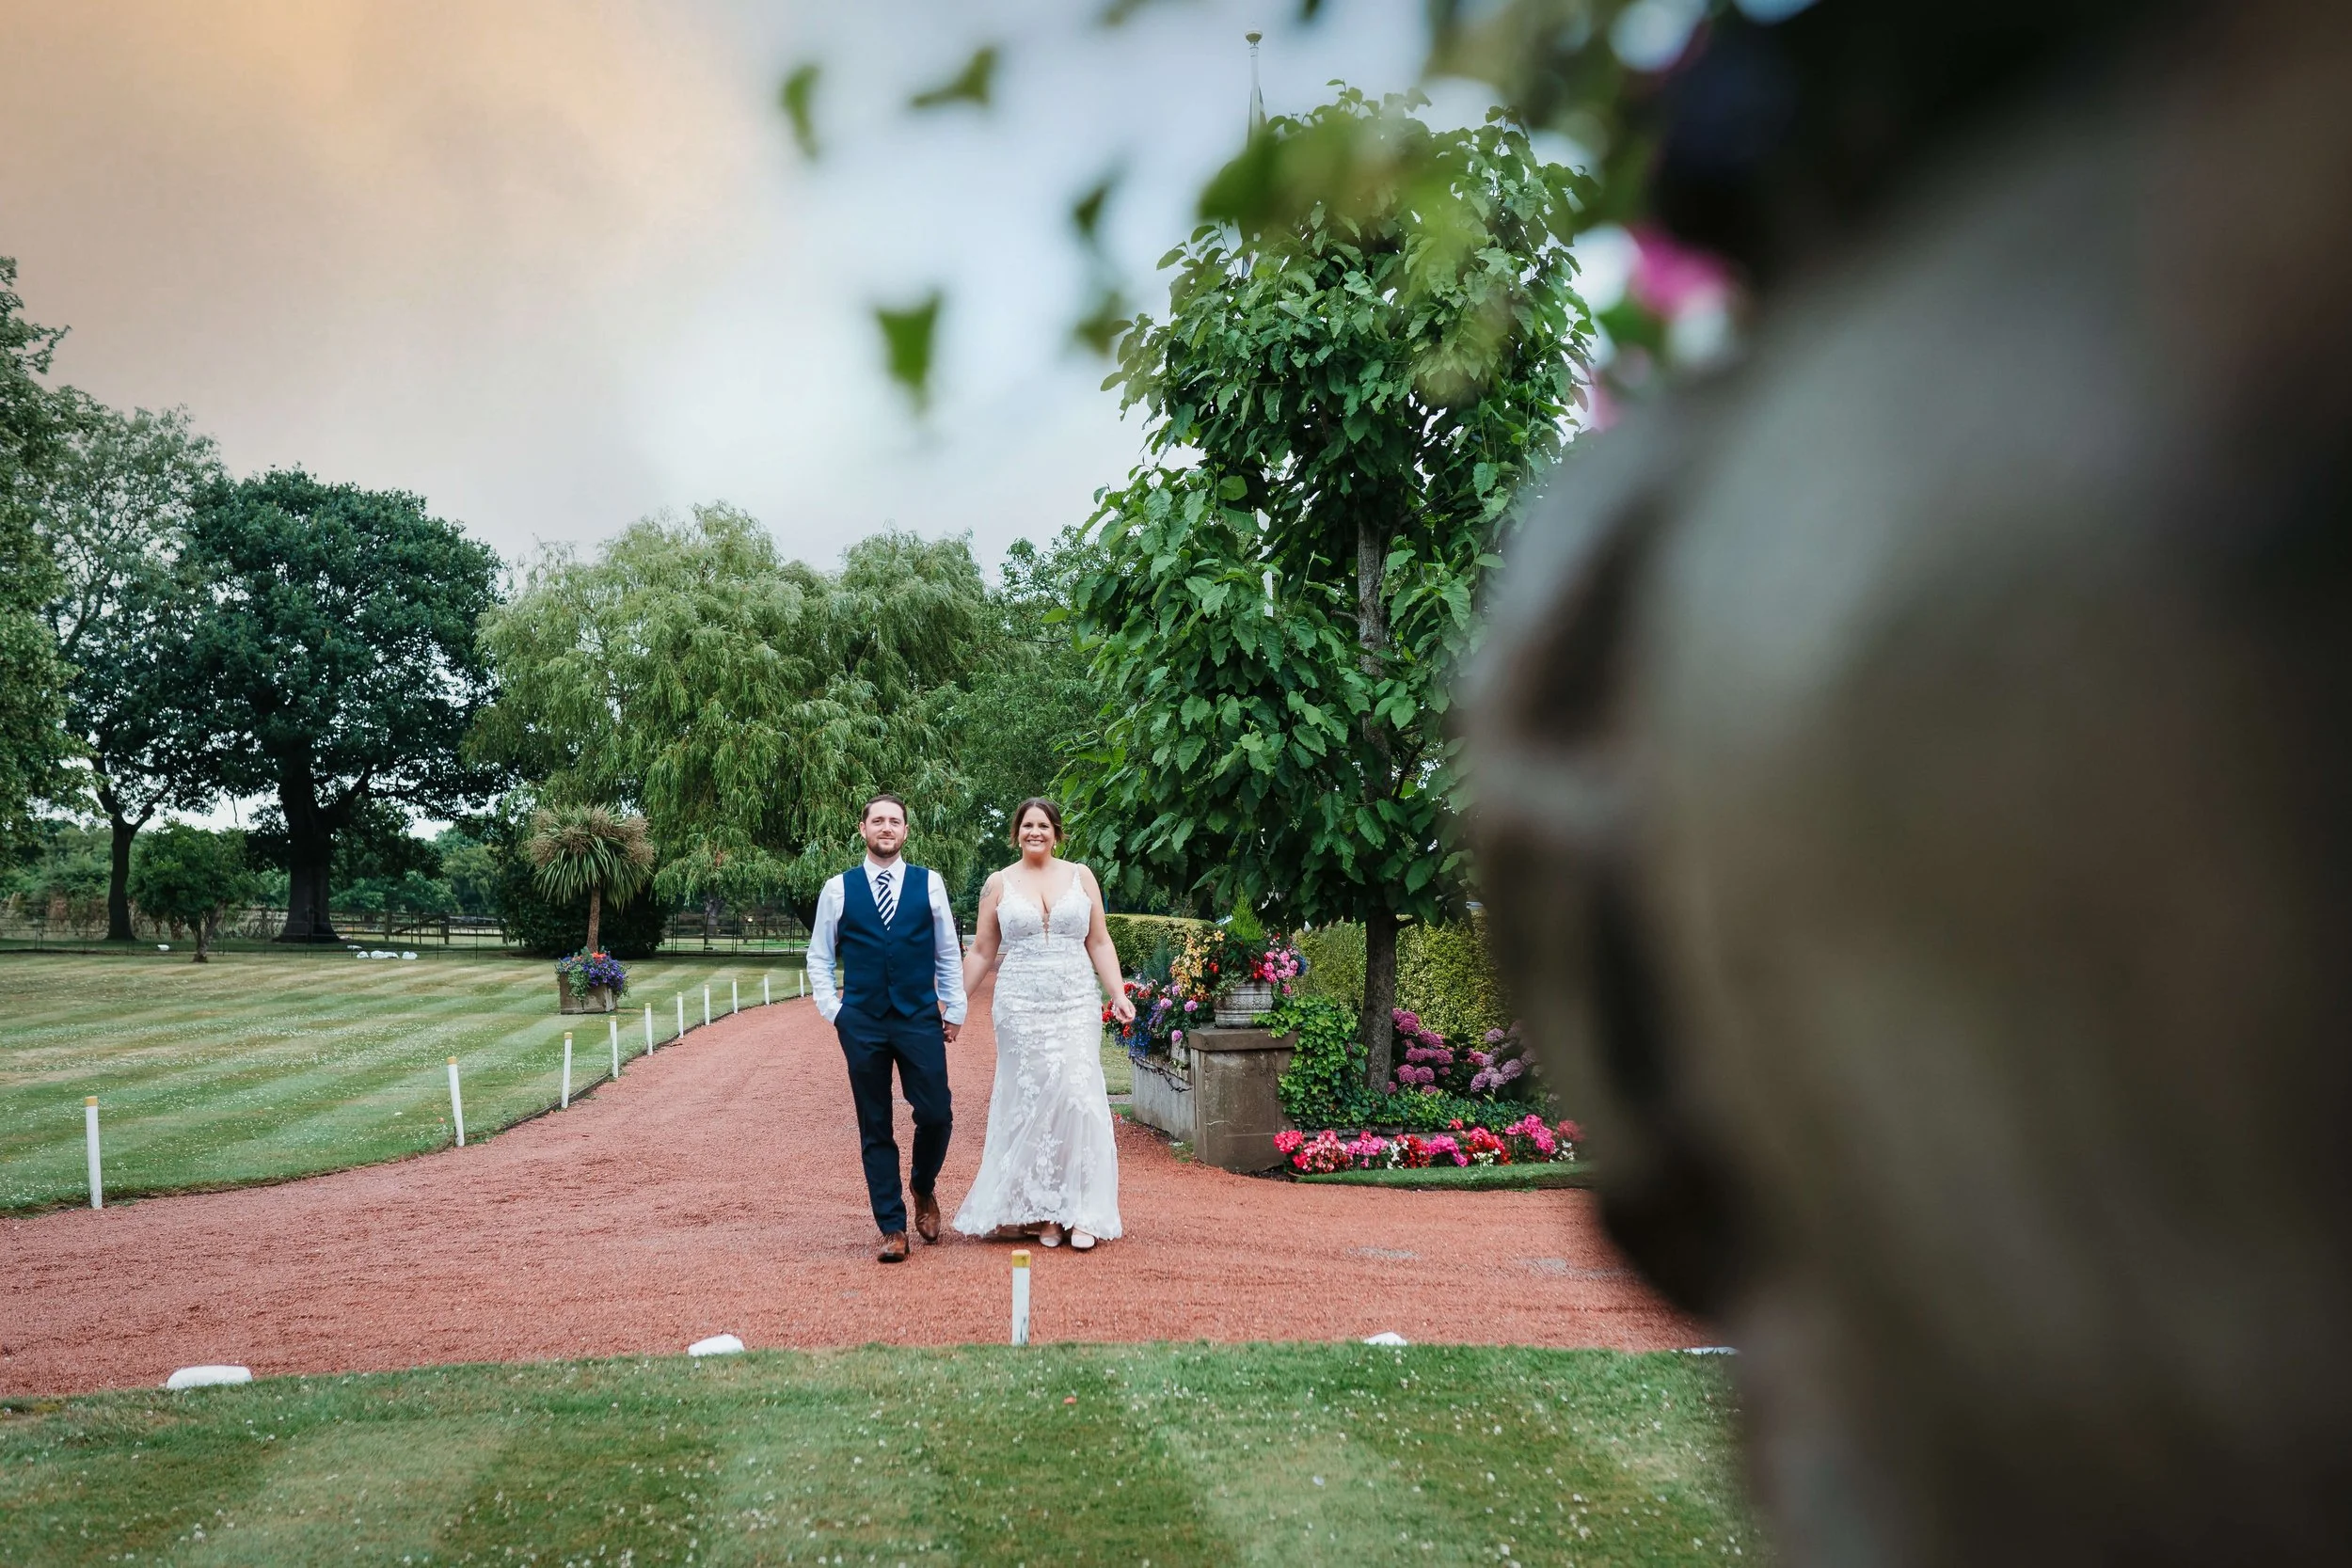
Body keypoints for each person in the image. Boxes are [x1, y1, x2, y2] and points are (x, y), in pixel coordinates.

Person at [952, 798, 1134, 1250]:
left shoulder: (1081, 876)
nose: (1036, 832)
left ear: (1056, 832)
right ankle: (1040, 1212)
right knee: (1030, 1100)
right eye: (1027, 825)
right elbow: (981, 952)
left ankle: (1083, 1211)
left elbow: (1099, 939)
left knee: (1076, 1095)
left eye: (1044, 825)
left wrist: (1117, 992)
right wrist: (952, 1004)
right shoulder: (998, 883)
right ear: (1016, 832)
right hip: (1019, 1004)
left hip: (1074, 999)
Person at [805, 792, 968, 1263]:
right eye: (878, 820)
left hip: (919, 1016)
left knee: (937, 1112)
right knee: (874, 1123)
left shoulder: (929, 883)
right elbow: (819, 955)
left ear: (905, 831)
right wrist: (834, 1010)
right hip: (863, 1021)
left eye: (895, 821)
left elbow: (945, 952)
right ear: (863, 829)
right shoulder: (838, 888)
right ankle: (892, 1226)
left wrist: (953, 1009)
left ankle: (922, 1185)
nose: (886, 828)